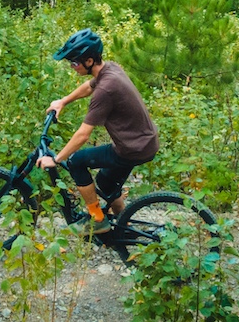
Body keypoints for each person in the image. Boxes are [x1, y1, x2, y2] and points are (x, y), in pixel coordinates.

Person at [37, 28, 159, 225]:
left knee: (76, 161)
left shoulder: (106, 90)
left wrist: (57, 159)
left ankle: (97, 218)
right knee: (105, 183)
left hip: (133, 149)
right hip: (143, 142)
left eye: (75, 62)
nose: (72, 66)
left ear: (90, 61)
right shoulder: (110, 69)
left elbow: (83, 135)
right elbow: (88, 87)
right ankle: (122, 223)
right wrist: (63, 101)